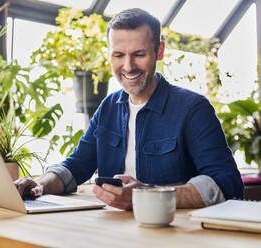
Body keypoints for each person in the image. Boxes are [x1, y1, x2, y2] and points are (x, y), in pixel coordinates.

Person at [15, 8, 244, 210]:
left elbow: (227, 184)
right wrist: (39, 185)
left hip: (175, 235)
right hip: (115, 232)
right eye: (118, 55)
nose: (128, 66)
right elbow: (76, 166)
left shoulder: (193, 108)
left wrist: (148, 196)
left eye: (139, 54)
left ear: (159, 51)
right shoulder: (108, 107)